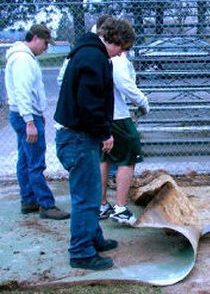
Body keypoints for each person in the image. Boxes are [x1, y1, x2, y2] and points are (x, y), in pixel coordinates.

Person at [54, 17, 136, 270]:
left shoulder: (90, 52)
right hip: (78, 138)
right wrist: (105, 134)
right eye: (121, 48)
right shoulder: (92, 57)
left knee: (89, 194)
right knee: (87, 198)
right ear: (114, 39)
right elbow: (89, 103)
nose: (120, 54)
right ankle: (80, 253)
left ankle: (93, 238)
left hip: (79, 135)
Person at [5, 24, 70, 220]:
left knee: (25, 160)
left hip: (24, 115)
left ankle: (28, 199)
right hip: (26, 116)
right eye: (44, 43)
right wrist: (30, 121)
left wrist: (34, 115)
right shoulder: (23, 59)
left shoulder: (23, 57)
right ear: (34, 38)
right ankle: (46, 204)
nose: (46, 48)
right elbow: (23, 92)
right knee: (35, 163)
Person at [99, 48, 150, 224]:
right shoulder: (117, 57)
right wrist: (143, 102)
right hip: (117, 115)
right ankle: (120, 207)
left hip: (100, 115)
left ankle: (102, 204)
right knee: (129, 157)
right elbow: (124, 83)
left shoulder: (92, 53)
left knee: (104, 156)